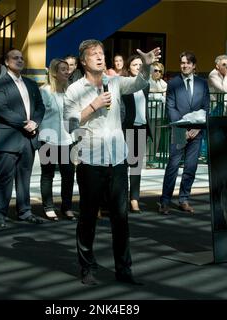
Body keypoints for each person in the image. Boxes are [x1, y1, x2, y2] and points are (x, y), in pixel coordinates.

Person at [64, 39, 161, 285]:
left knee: (121, 218)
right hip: (91, 162)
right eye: (93, 54)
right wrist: (93, 106)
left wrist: (147, 66)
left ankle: (124, 270)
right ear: (84, 61)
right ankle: (87, 268)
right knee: (87, 218)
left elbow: (140, 82)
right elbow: (69, 125)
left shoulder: (115, 82)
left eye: (101, 53)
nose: (99, 57)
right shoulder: (74, 89)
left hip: (117, 161)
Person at [0, 49, 45, 227]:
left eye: (22, 58)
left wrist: (35, 122)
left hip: (29, 138)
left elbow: (40, 106)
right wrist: (25, 123)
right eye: (15, 58)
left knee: (25, 178)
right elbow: (1, 109)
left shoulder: (31, 84)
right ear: (6, 62)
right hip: (9, 139)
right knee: (4, 177)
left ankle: (25, 211)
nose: (20, 60)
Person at [159, 51, 210, 215]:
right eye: (182, 62)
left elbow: (206, 107)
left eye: (188, 63)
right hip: (179, 130)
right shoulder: (173, 83)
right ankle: (165, 201)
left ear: (194, 65)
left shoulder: (203, 83)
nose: (185, 65)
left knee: (191, 166)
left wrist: (196, 128)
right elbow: (170, 107)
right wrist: (183, 128)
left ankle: (184, 199)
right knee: (173, 166)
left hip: (197, 131)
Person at [38, 59, 76, 221]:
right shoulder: (45, 91)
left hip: (67, 139)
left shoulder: (70, 91)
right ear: (54, 73)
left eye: (68, 69)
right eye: (63, 70)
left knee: (68, 174)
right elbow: (38, 114)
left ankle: (66, 207)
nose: (67, 72)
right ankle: (48, 207)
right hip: (48, 138)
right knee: (48, 175)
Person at [122, 54, 152, 214]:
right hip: (126, 129)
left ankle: (134, 199)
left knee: (136, 167)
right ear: (128, 68)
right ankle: (122, 199)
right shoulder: (124, 85)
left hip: (141, 128)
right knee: (123, 166)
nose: (138, 67)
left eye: (141, 65)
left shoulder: (145, 85)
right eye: (135, 65)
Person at [148, 62, 167, 161]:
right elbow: (148, 92)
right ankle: (147, 157)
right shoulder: (147, 81)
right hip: (150, 113)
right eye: (155, 70)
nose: (158, 73)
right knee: (150, 136)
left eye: (160, 71)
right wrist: (158, 92)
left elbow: (166, 92)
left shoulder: (162, 83)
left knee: (157, 136)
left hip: (159, 113)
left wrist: (158, 92)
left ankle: (153, 157)